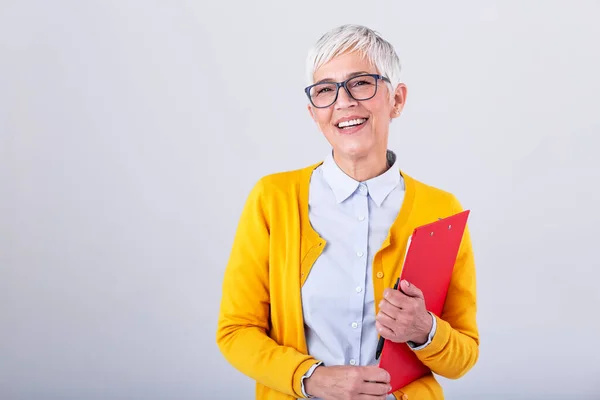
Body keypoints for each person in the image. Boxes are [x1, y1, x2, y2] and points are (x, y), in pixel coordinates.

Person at [216, 24, 479, 400]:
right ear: (313, 112)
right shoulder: (272, 199)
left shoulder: (440, 210)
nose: (343, 102)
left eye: (361, 83)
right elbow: (235, 331)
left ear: (397, 100)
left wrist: (424, 329)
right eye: (326, 90)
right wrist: (310, 378)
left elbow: (463, 357)